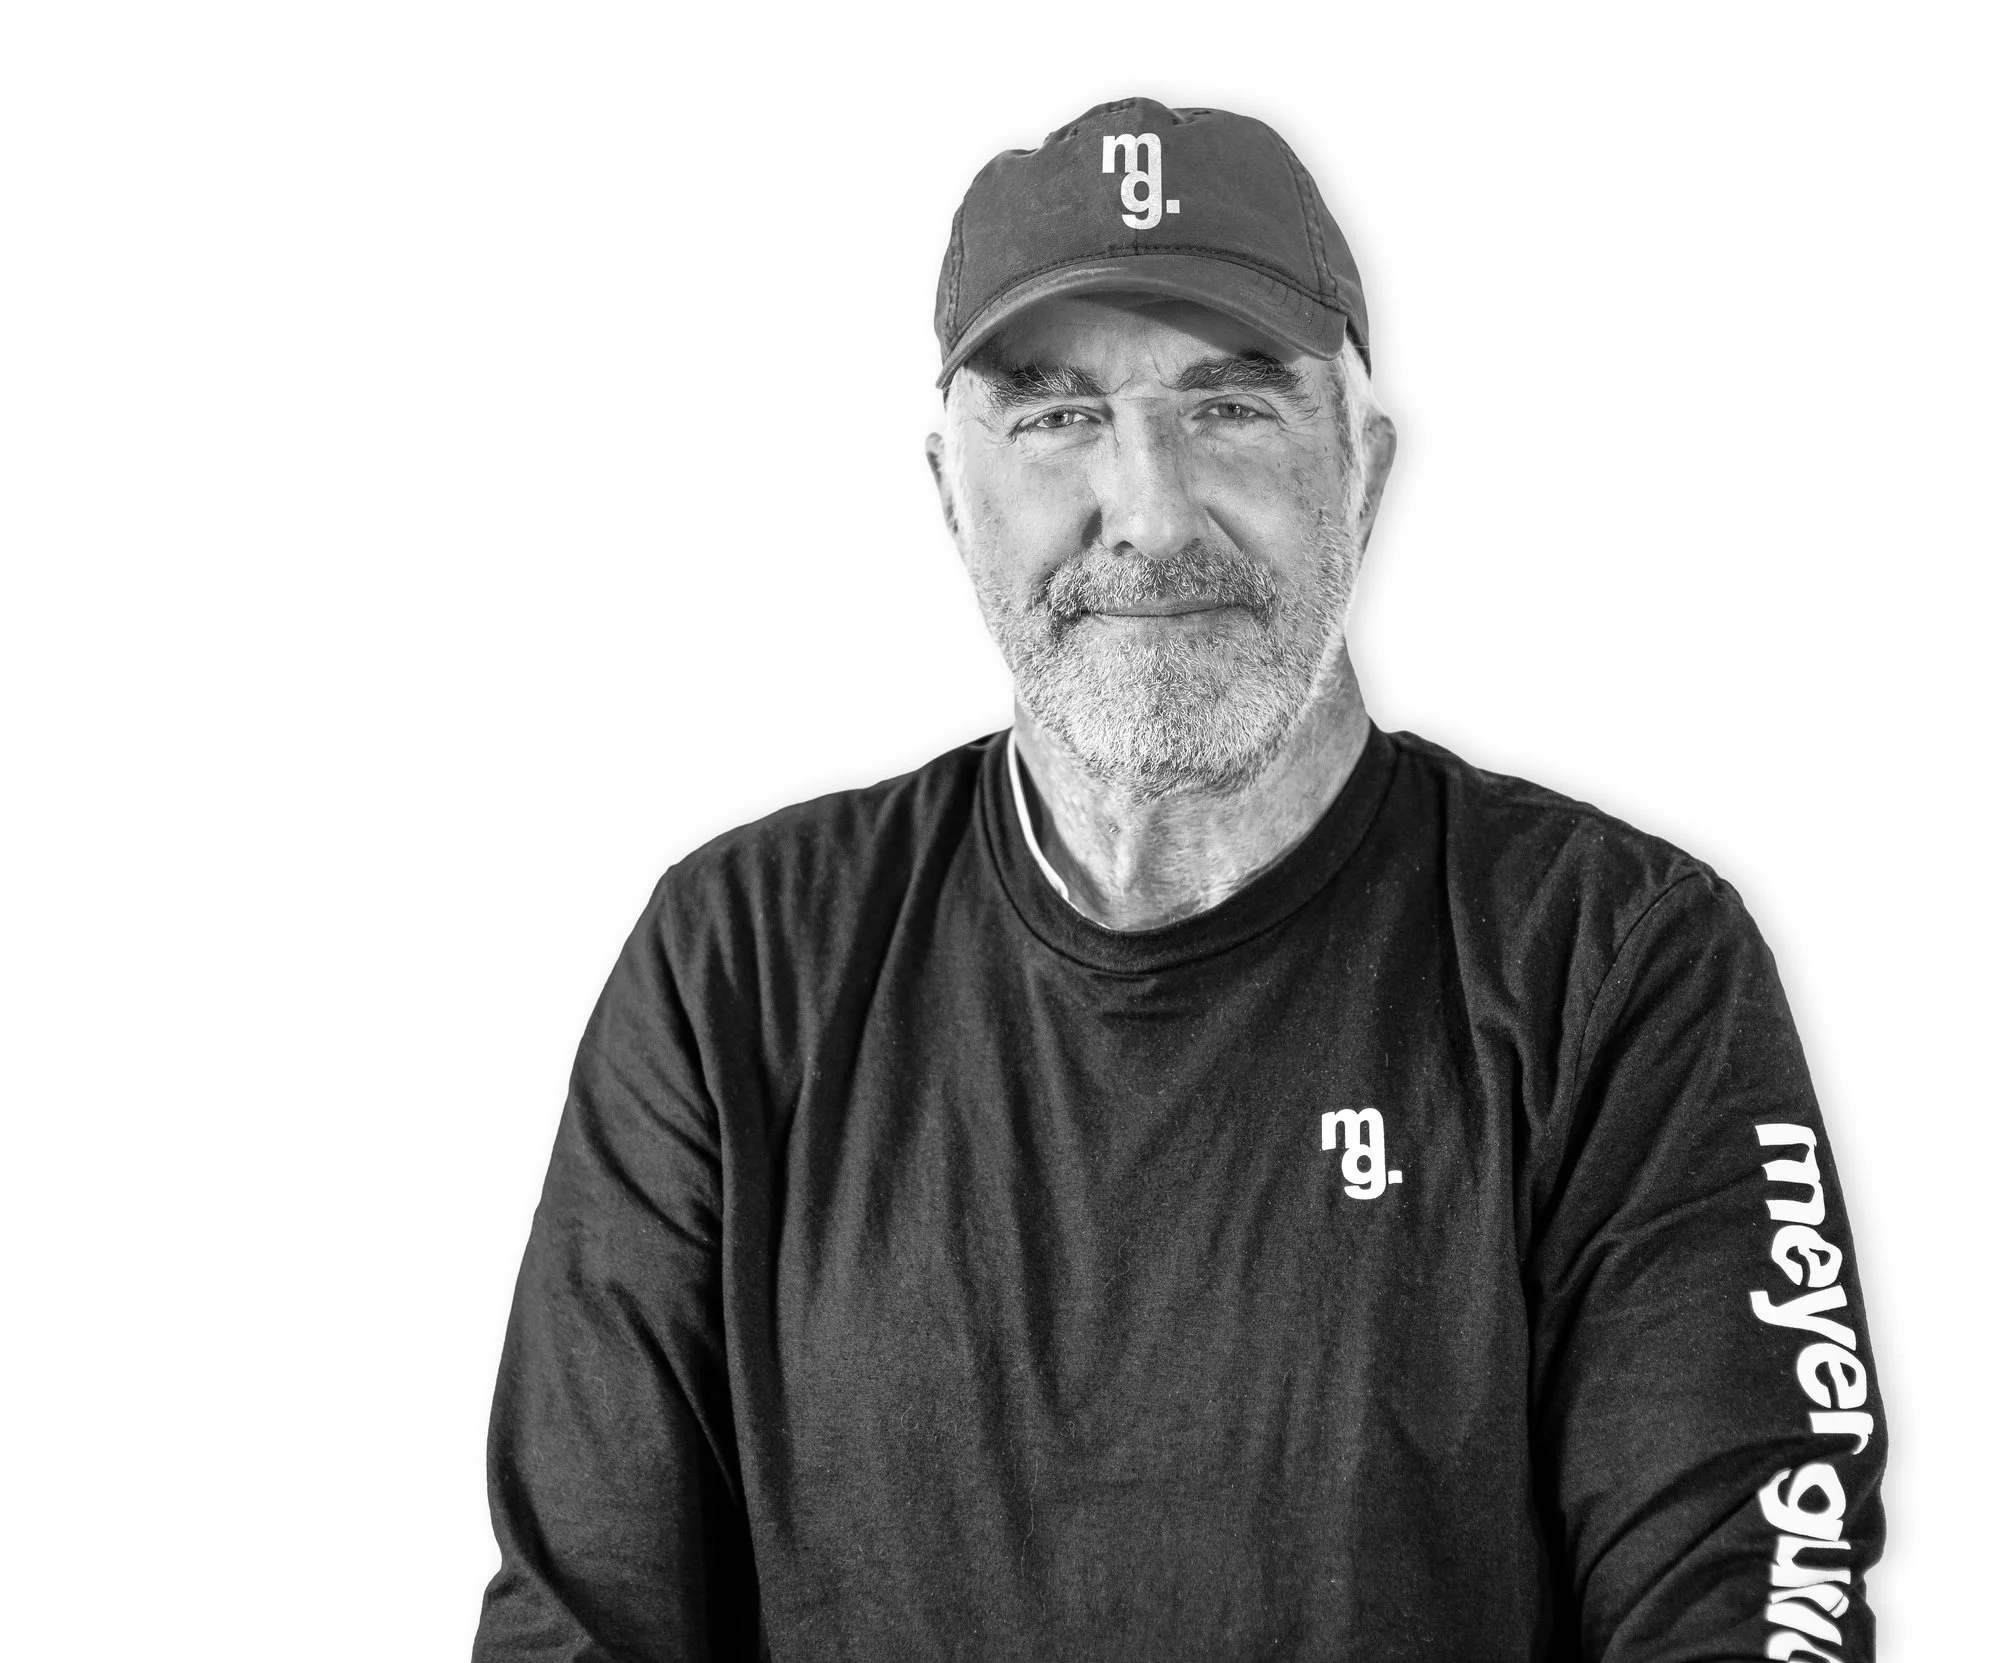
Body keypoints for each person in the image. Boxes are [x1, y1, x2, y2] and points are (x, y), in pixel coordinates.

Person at [473, 96, 1886, 1662]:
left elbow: (1744, 1609)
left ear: (1364, 464)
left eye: (1230, 404)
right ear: (949, 493)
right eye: (1057, 415)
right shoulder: (737, 968)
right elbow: (580, 1622)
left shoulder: (1616, 966)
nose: (1146, 511)